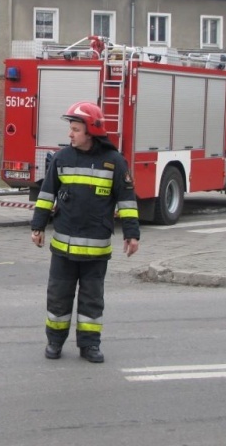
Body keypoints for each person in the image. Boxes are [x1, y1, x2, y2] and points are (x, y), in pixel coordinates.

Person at [30, 101, 140, 363]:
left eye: (76, 129)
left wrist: (132, 234)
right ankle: (55, 342)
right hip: (63, 250)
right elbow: (46, 195)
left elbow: (126, 201)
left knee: (92, 300)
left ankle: (89, 345)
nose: (70, 134)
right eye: (71, 128)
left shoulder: (114, 162)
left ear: (91, 131)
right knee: (58, 298)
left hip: (96, 250)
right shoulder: (62, 158)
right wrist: (37, 226)